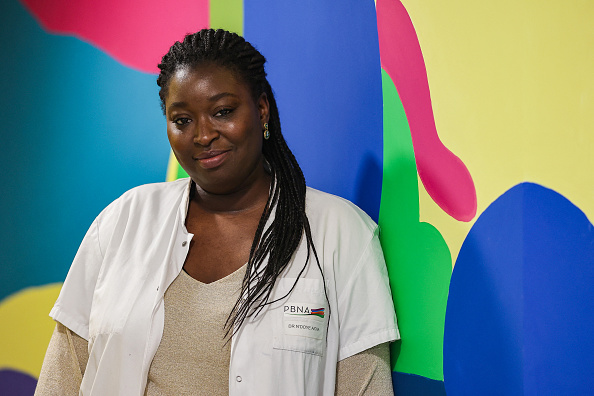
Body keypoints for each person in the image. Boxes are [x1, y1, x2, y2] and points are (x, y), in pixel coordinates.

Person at [35, 29, 399, 395]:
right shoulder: (123, 220)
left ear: (261, 109)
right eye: (182, 120)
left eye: (223, 112)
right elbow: (65, 369)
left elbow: (365, 385)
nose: (203, 135)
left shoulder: (339, 233)